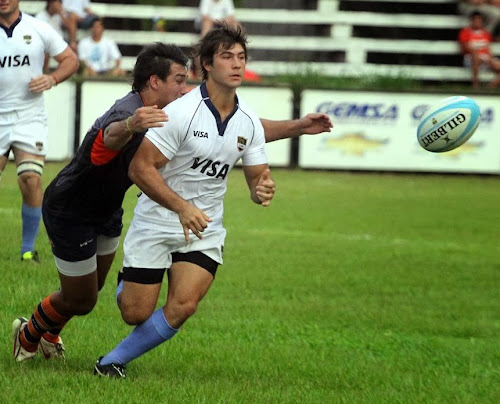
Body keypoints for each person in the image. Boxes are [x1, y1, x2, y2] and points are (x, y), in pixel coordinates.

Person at [11, 40, 332, 364]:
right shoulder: (128, 111)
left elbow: (247, 127)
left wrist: (298, 127)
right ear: (155, 82)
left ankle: (51, 335)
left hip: (108, 209)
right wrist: (129, 126)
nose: (185, 87)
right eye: (179, 79)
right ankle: (28, 334)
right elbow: (105, 141)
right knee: (83, 300)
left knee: (91, 291)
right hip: (72, 210)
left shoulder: (169, 111)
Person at [92, 22, 278, 379]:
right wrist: (181, 207)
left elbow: (258, 178)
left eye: (241, 57)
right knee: (135, 312)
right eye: (227, 57)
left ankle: (111, 362)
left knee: (183, 305)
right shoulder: (181, 112)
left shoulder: (249, 121)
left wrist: (262, 190)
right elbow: (140, 169)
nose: (237, 64)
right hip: (158, 221)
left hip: (204, 227)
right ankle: (126, 283)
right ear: (206, 64)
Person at [0, 0, 79, 263]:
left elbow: (70, 59)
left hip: (28, 117)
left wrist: (52, 78)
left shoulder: (37, 28)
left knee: (30, 179)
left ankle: (27, 249)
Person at [458, 11, 500, 88]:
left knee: (497, 64)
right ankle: (475, 84)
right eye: (476, 21)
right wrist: (479, 55)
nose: (477, 23)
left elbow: (488, 48)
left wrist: (491, 58)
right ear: (471, 21)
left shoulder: (485, 33)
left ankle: (490, 87)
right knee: (475, 55)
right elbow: (465, 47)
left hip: (485, 58)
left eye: (479, 21)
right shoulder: (465, 32)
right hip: (470, 58)